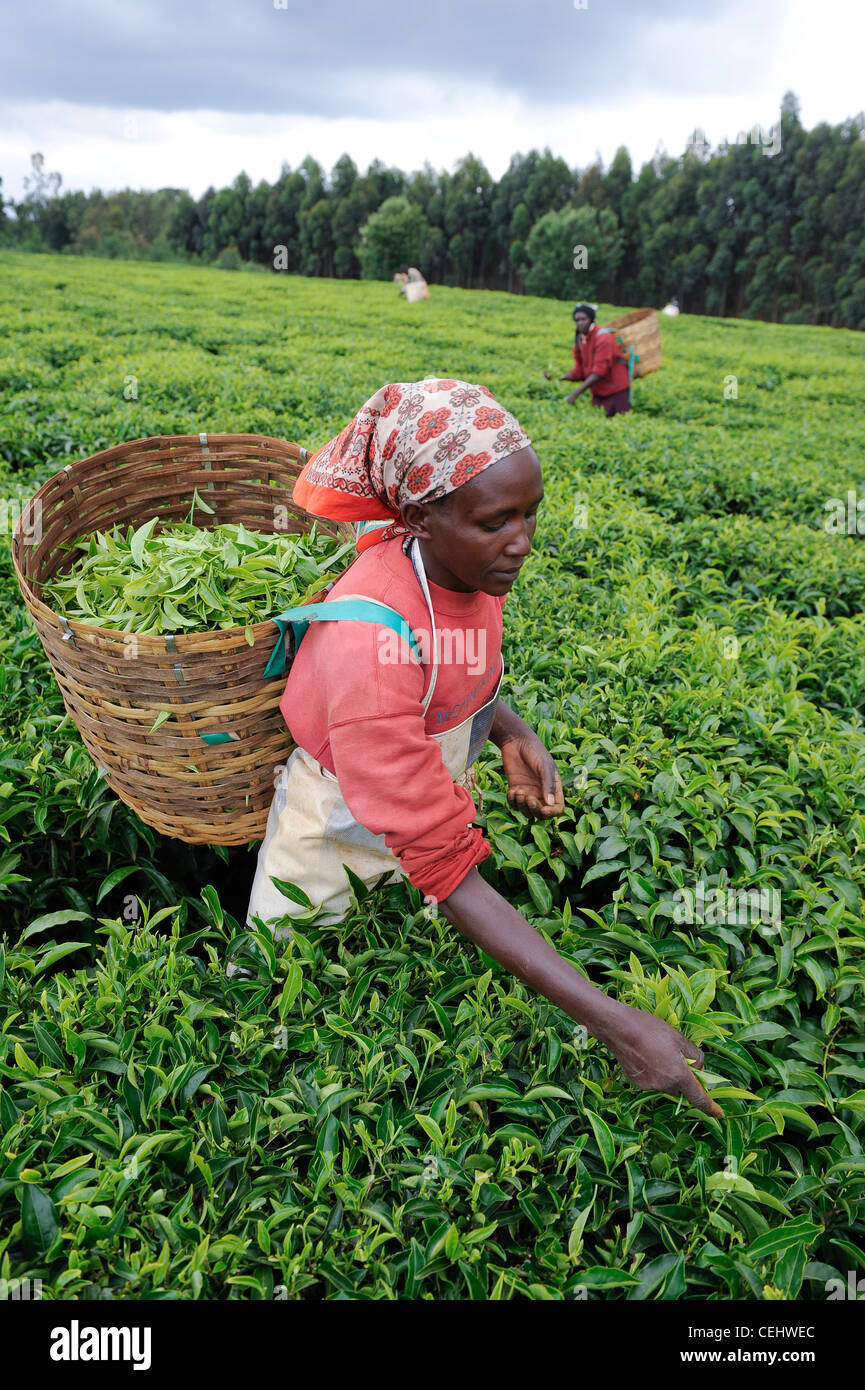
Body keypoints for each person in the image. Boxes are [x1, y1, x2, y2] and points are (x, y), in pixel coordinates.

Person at [241, 377, 721, 1119]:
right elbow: (447, 866)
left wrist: (507, 728)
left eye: (531, 513)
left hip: (421, 792)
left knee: (403, 952)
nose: (522, 542)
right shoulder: (368, 644)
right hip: (332, 824)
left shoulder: (468, 568)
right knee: (285, 983)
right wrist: (615, 1024)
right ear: (423, 518)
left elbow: (459, 667)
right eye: (498, 520)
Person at [561, 303, 632, 417]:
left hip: (616, 390)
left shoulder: (603, 338)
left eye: (583, 319)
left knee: (618, 423)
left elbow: (599, 372)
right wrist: (562, 376)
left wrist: (576, 393)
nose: (580, 323)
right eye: (577, 320)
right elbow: (580, 370)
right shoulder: (580, 339)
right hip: (598, 391)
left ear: (591, 319)